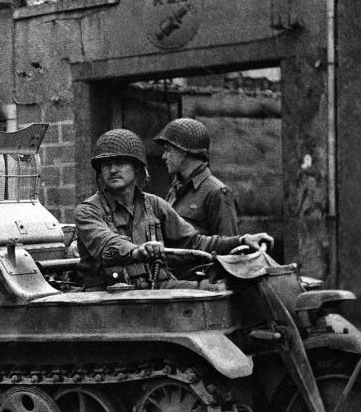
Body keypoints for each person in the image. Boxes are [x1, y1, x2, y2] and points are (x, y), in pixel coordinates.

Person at [74, 129, 273, 289]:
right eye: (106, 165)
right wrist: (137, 251)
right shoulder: (88, 210)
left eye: (120, 162)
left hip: (157, 289)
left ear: (137, 168)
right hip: (109, 298)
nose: (112, 169)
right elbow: (106, 243)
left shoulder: (154, 205)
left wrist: (242, 240)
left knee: (224, 290)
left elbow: (194, 242)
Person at [155, 117, 238, 236]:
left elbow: (229, 245)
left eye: (168, 150)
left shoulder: (217, 193)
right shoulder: (176, 189)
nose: (164, 156)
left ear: (183, 152)